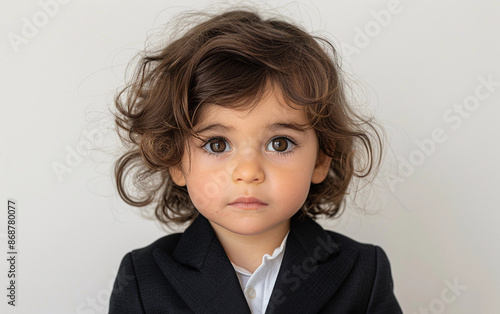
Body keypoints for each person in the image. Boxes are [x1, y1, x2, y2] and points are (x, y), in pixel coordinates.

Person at [109, 7, 402, 314]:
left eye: (280, 143)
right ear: (176, 161)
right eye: (217, 144)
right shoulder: (143, 277)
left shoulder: (364, 272)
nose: (248, 172)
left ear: (321, 160)